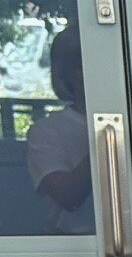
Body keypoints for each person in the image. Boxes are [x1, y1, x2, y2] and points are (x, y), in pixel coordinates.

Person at [19, 26, 92, 236]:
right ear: (70, 74)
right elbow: (68, 197)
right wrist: (109, 135)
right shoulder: (46, 132)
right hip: (75, 244)